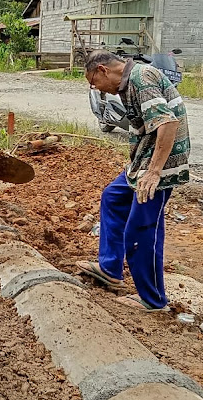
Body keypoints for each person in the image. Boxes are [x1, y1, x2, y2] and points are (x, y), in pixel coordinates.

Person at [77, 50, 190, 311]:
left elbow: (168, 123)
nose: (98, 90)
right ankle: (110, 268)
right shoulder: (129, 83)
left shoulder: (142, 79)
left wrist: (153, 172)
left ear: (103, 70)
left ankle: (152, 300)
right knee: (113, 198)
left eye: (95, 83)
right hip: (143, 161)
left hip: (160, 167)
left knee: (141, 230)